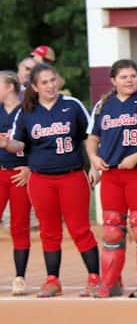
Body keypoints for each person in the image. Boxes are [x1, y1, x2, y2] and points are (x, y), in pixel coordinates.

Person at [0, 64, 100, 297]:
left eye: (52, 80)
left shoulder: (72, 105)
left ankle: (95, 277)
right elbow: (19, 144)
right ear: (35, 87)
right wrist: (7, 144)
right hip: (41, 179)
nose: (50, 85)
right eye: (44, 82)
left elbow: (89, 136)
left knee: (79, 229)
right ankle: (52, 280)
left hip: (72, 175)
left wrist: (94, 163)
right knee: (49, 230)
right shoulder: (27, 111)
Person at [86, 59, 137, 298]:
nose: (129, 80)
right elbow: (92, 137)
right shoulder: (103, 105)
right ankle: (111, 283)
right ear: (113, 80)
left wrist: (136, 157)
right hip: (111, 174)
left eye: (133, 76)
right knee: (111, 228)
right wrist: (93, 159)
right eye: (123, 77)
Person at [0, 71, 31, 295]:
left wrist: (31, 167)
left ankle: (20, 277)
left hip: (20, 173)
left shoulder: (28, 111)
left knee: (19, 226)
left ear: (10, 86)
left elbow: (39, 142)